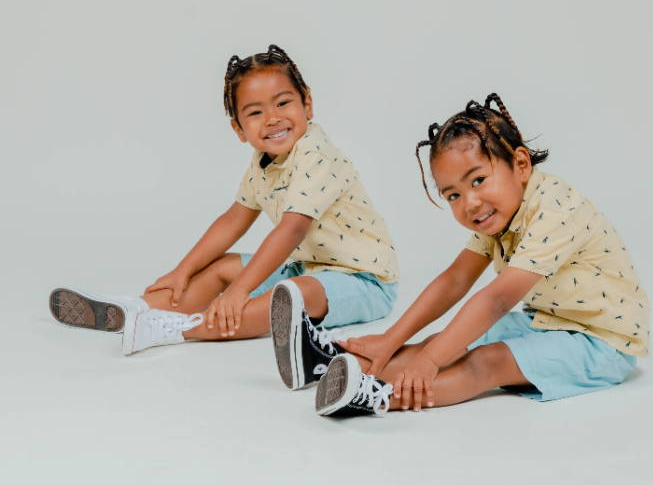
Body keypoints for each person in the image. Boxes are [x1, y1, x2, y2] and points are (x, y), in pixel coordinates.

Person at [272, 93, 650, 417]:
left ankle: (377, 397)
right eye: (452, 195)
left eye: (479, 180)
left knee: (484, 361)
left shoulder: (556, 208)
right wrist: (392, 338)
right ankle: (327, 364)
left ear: (520, 164)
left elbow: (498, 297)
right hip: (546, 322)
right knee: (440, 343)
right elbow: (454, 280)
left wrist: (431, 363)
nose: (470, 203)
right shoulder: (498, 216)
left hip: (601, 343)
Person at [49, 45, 399, 362]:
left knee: (292, 297)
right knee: (222, 267)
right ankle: (135, 309)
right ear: (238, 128)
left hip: (362, 281)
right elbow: (233, 219)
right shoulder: (263, 161)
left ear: (307, 102)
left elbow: (293, 228)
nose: (273, 118)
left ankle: (179, 328)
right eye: (256, 112)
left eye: (283, 103)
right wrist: (181, 271)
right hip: (305, 265)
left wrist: (239, 291)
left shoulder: (316, 154)